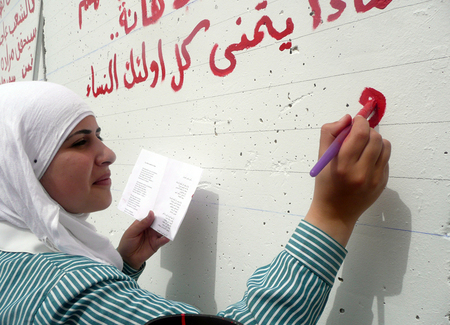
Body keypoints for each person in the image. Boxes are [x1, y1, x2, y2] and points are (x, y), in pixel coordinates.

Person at [0, 81, 390, 325]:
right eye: (80, 142)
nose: (108, 154)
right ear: (17, 168)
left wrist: (124, 265)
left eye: (98, 135)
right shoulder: (66, 289)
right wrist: (332, 215)